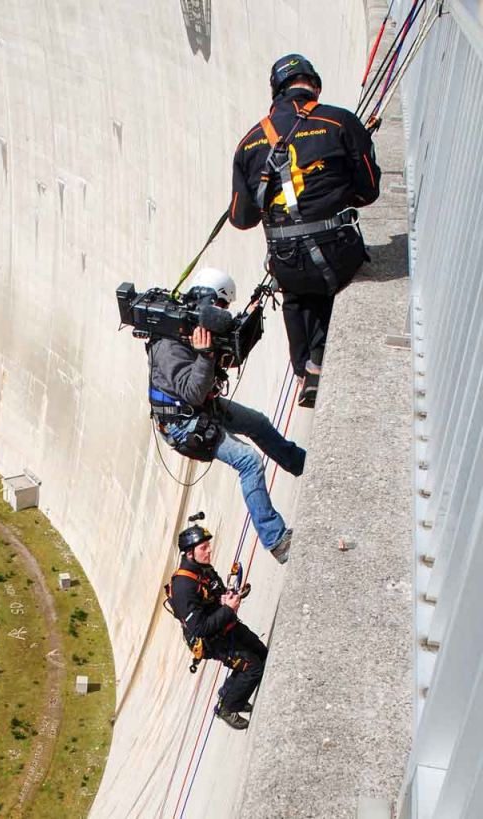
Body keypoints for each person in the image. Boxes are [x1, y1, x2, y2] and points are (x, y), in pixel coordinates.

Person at [230, 54, 381, 407]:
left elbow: (241, 218)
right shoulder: (339, 121)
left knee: (294, 291)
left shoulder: (249, 143)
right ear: (313, 85)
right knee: (327, 274)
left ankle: (305, 369)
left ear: (276, 91)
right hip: (336, 254)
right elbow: (368, 191)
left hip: (288, 262)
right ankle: (319, 358)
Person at [147, 267, 304, 564]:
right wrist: (206, 355)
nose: (222, 314)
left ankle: (301, 464)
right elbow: (192, 391)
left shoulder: (193, 325)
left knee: (256, 422)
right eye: (221, 308)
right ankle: (277, 541)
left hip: (202, 408)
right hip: (184, 424)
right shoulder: (170, 342)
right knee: (249, 461)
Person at [169, 521, 268, 730]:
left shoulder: (204, 569)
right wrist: (228, 609)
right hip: (211, 639)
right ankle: (227, 708)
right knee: (253, 668)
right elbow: (199, 628)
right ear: (189, 554)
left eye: (208, 546)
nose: (209, 550)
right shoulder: (183, 588)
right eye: (203, 548)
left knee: (261, 652)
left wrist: (226, 598)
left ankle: (230, 693)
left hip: (224, 624)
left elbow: (217, 591)